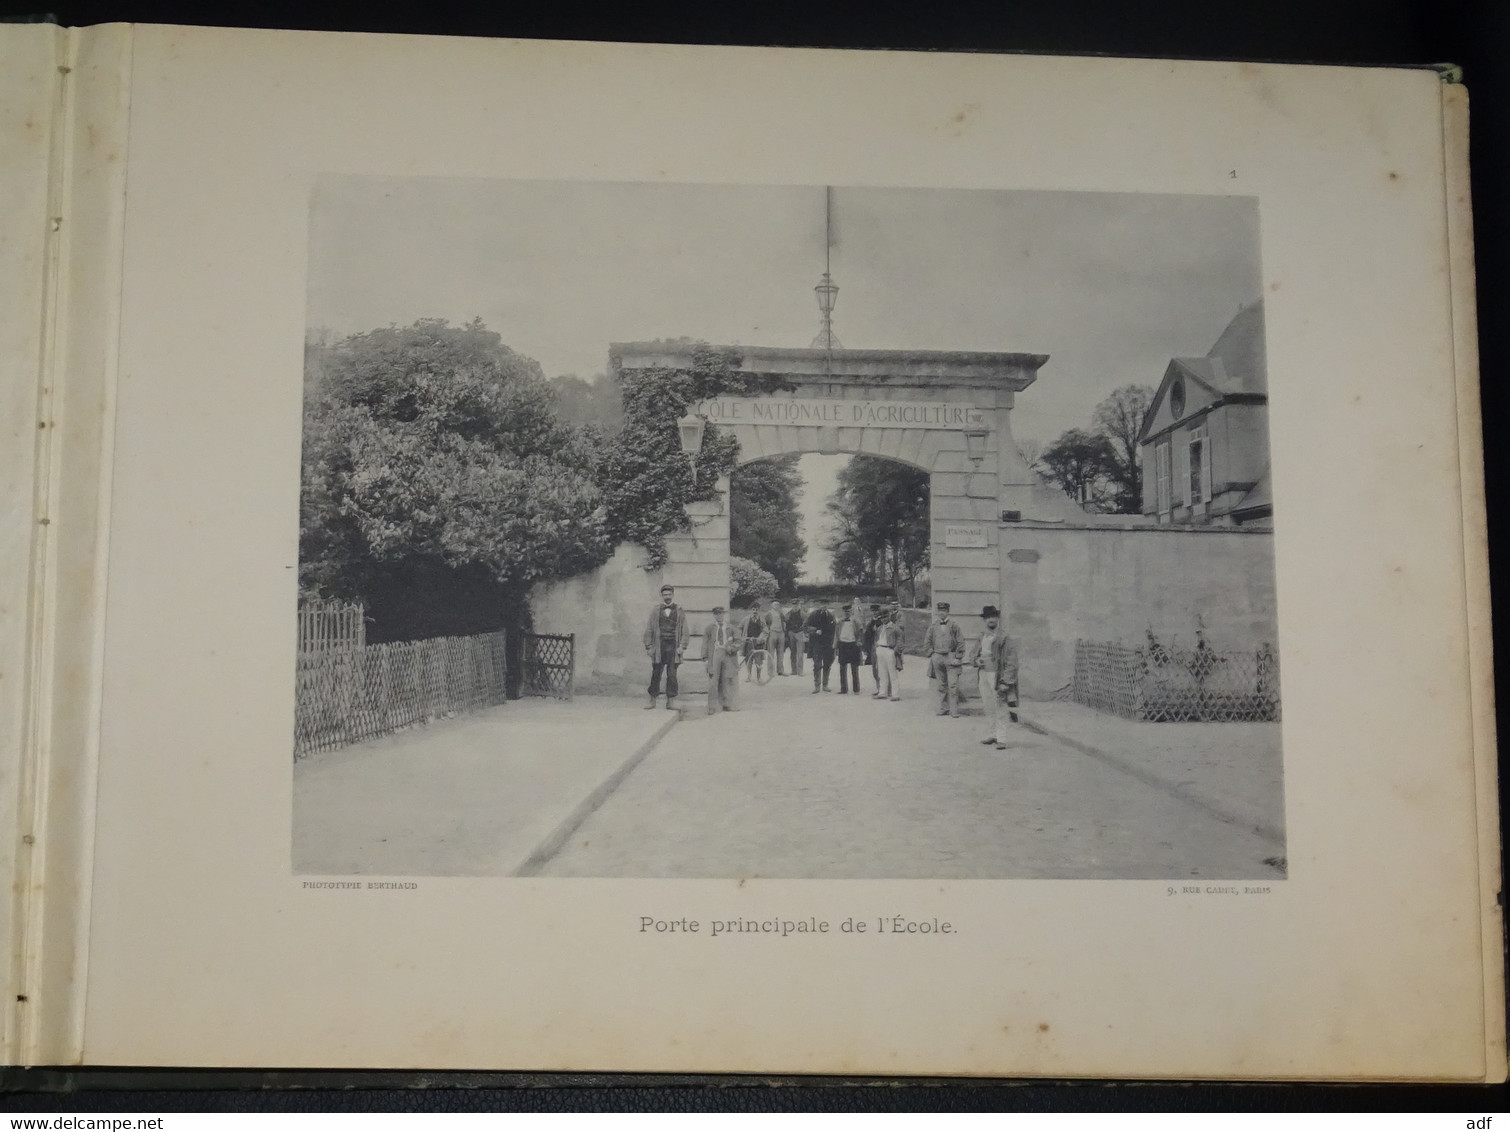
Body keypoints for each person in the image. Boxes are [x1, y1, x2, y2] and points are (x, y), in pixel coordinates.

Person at [966, 605, 1020, 748]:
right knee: (988, 705)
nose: (990, 620)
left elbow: (1012, 662)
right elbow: (972, 654)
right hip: (983, 675)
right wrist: (976, 661)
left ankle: (1002, 738)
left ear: (997, 619)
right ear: (985, 620)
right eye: (988, 617)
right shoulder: (982, 636)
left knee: (1000, 705)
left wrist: (1006, 682)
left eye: (993, 617)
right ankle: (992, 734)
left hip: (997, 675)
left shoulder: (1004, 637)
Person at [642, 583, 687, 710]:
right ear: (662, 596)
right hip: (659, 646)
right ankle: (652, 700)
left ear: (672, 595)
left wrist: (682, 646)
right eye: (664, 594)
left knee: (672, 675)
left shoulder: (679, 610)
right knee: (656, 673)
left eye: (669, 594)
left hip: (673, 646)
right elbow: (649, 629)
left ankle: (671, 702)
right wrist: (649, 646)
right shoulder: (656, 610)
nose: (667, 596)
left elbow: (685, 630)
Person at [921, 600, 966, 717]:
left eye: (944, 611)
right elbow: (927, 642)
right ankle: (943, 708)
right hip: (937, 657)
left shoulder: (954, 625)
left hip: (950, 656)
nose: (942, 613)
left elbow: (961, 642)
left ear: (948, 612)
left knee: (953, 685)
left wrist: (958, 657)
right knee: (941, 685)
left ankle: (954, 710)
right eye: (940, 611)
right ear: (937, 612)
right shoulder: (933, 626)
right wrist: (932, 654)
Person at [702, 605, 741, 714]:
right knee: (713, 681)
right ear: (714, 615)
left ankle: (728, 704)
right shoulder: (710, 628)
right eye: (716, 614)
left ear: (724, 614)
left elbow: (739, 641)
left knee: (728, 679)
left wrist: (732, 648)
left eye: (721, 613)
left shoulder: (731, 628)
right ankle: (712, 707)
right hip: (715, 654)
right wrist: (705, 658)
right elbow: (705, 643)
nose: (719, 616)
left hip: (728, 655)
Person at [873, 604, 904, 701]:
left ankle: (895, 694)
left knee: (892, 673)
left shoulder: (895, 628)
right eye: (882, 618)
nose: (883, 619)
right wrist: (876, 648)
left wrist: (895, 651)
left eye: (885, 617)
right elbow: (876, 639)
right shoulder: (879, 628)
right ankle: (883, 692)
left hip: (889, 650)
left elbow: (900, 641)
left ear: (889, 616)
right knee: (882, 673)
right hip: (880, 650)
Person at [804, 601, 836, 693]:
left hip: (828, 644)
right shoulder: (813, 614)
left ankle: (825, 685)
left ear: (828, 605)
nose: (823, 606)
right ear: (818, 605)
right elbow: (805, 626)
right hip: (816, 643)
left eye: (825, 604)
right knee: (817, 665)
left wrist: (834, 642)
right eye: (822, 604)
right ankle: (817, 686)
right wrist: (815, 630)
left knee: (827, 664)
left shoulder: (831, 615)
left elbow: (835, 628)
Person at [835, 602, 863, 694]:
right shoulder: (840, 622)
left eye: (849, 611)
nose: (847, 613)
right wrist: (836, 645)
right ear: (843, 612)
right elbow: (837, 634)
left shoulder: (856, 622)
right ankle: (843, 689)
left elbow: (861, 632)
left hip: (853, 645)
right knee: (842, 668)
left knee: (854, 668)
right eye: (845, 611)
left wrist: (859, 642)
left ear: (852, 611)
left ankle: (856, 689)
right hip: (843, 645)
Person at [741, 604, 769, 682]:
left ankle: (759, 677)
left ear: (759, 611)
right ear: (751, 610)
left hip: (758, 643)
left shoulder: (762, 620)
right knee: (748, 660)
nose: (755, 611)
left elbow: (766, 630)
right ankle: (749, 676)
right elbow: (739, 628)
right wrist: (742, 636)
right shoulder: (746, 619)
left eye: (756, 610)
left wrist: (761, 637)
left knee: (759, 661)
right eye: (753, 610)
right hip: (748, 643)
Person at [863, 602, 883, 694]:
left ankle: (885, 689)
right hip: (873, 647)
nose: (875, 613)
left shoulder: (882, 621)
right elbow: (866, 636)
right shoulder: (870, 622)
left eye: (876, 611)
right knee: (875, 670)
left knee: (882, 669)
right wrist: (866, 649)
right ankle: (879, 688)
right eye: (873, 611)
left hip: (881, 646)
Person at [764, 599, 787, 676]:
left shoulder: (781, 613)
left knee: (781, 653)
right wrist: (768, 631)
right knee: (771, 653)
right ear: (771, 606)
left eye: (778, 604)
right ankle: (770, 672)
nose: (776, 606)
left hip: (781, 633)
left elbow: (784, 622)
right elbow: (765, 624)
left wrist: (784, 632)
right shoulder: (768, 614)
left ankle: (780, 670)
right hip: (772, 633)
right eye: (775, 604)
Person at [785, 603, 806, 677]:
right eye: (794, 605)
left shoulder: (803, 614)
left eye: (796, 605)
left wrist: (803, 630)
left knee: (800, 653)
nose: (795, 606)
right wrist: (788, 633)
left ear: (799, 606)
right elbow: (786, 623)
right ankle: (794, 670)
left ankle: (800, 671)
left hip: (799, 633)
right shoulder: (788, 614)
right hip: (791, 633)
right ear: (792, 606)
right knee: (793, 652)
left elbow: (806, 623)